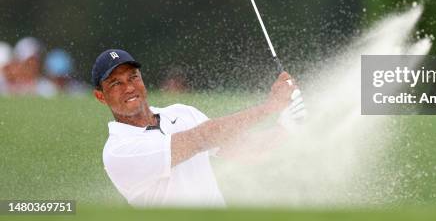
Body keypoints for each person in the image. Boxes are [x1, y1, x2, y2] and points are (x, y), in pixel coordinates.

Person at [92, 49, 305, 207]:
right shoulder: (118, 151)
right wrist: (269, 107)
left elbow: (246, 149)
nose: (129, 87)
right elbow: (200, 139)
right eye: (115, 83)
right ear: (100, 96)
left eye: (133, 77)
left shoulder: (181, 113)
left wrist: (287, 126)